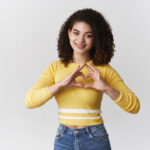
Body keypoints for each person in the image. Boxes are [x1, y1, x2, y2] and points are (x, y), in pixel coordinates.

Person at [24, 8, 140, 150]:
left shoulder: (103, 70)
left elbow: (135, 106)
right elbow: (29, 101)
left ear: (96, 39)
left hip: (95, 138)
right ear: (69, 33)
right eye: (76, 33)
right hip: (63, 139)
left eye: (88, 35)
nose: (80, 40)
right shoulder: (55, 68)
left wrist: (106, 88)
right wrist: (60, 85)